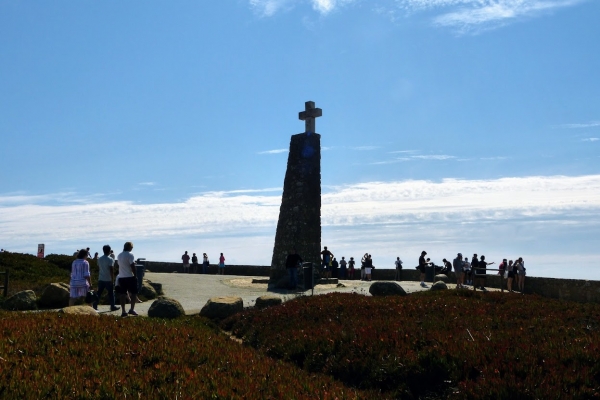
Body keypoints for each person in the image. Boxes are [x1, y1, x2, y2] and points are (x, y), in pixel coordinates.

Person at [94, 245, 119, 311]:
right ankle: (112, 306)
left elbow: (99, 267)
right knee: (111, 293)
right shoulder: (110, 259)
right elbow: (111, 270)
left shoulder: (99, 259)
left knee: (99, 293)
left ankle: (95, 305)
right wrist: (112, 279)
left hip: (101, 278)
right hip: (108, 279)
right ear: (109, 250)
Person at [116, 241, 138, 317]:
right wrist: (135, 275)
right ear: (129, 247)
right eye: (132, 247)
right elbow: (132, 266)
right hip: (129, 276)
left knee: (122, 294)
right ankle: (131, 309)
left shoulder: (119, 255)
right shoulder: (130, 255)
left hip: (121, 277)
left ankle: (123, 311)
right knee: (134, 293)